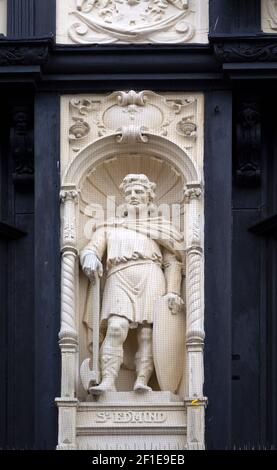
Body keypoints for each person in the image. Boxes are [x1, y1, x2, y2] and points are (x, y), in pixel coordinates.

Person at [80, 174, 184, 395]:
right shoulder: (109, 226)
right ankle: (108, 380)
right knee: (116, 328)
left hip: (151, 275)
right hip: (119, 275)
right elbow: (91, 249)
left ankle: (142, 379)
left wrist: (173, 291)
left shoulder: (160, 227)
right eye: (129, 193)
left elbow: (172, 261)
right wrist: (89, 258)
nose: (133, 196)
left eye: (139, 192)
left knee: (148, 333)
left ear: (149, 197)